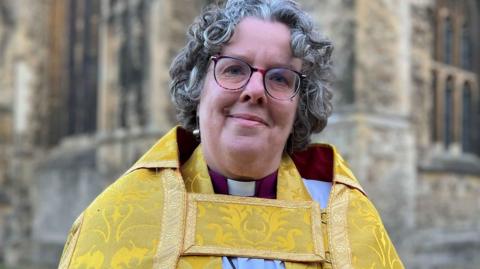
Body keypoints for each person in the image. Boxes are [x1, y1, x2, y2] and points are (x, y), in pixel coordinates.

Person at [58, 0, 404, 268]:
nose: (255, 90)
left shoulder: (345, 218)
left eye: (281, 78)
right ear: (197, 87)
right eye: (234, 69)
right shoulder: (120, 220)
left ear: (301, 105)